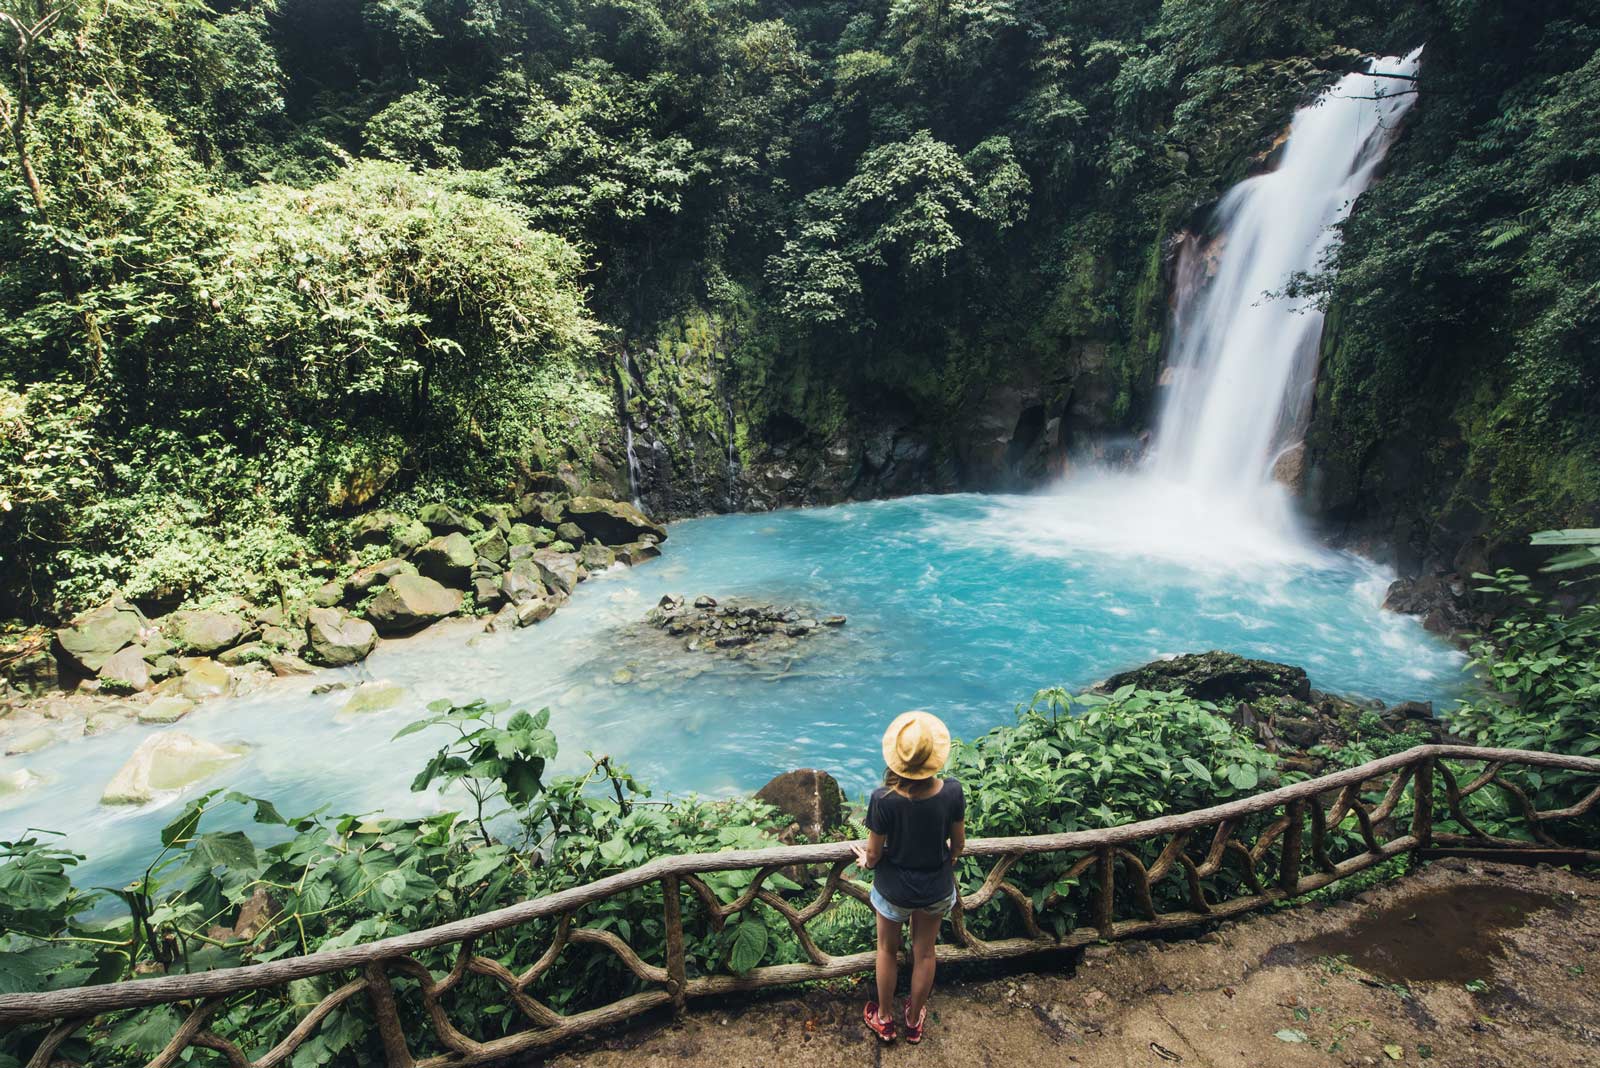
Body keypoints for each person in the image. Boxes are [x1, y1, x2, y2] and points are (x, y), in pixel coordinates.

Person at [851, 710, 966, 1045]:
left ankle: (884, 1019)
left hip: (893, 889)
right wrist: (950, 852)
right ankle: (914, 1020)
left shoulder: (882, 799)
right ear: (933, 758)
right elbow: (957, 845)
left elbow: (873, 855)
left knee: (887, 950)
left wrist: (866, 860)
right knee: (925, 952)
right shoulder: (952, 793)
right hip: (936, 887)